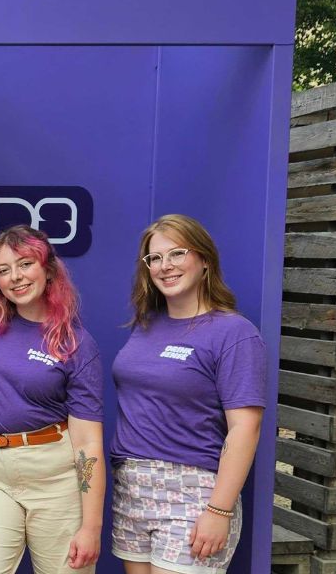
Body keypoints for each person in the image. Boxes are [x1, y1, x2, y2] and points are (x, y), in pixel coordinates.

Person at [110, 214, 266, 574]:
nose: (165, 266)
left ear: (205, 259)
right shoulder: (146, 326)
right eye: (155, 258)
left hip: (193, 494)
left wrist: (219, 510)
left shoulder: (234, 333)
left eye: (177, 254)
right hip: (131, 491)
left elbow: (245, 428)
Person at [0, 225, 105, 573]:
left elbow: (87, 443)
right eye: (4, 270)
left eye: (25, 264)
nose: (15, 278)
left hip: (54, 478)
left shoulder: (76, 344)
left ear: (47, 269)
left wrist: (90, 527)